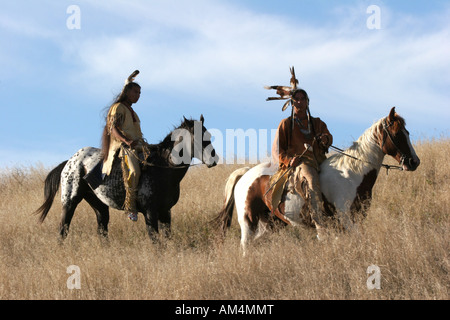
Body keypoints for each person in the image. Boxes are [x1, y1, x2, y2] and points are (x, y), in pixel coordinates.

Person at [272, 87, 333, 237]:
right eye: (296, 100)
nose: (299, 102)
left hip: (319, 161)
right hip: (300, 164)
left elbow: (329, 138)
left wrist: (324, 139)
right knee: (311, 179)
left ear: (307, 102)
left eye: (302, 99)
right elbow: (277, 150)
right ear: (292, 103)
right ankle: (320, 227)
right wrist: (289, 160)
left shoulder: (317, 123)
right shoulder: (286, 124)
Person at [101, 70, 145, 222]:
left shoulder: (132, 111)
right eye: (135, 92)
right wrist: (126, 141)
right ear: (127, 92)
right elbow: (112, 128)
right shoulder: (118, 107)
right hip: (123, 147)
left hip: (138, 145)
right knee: (133, 171)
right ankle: (131, 207)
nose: (138, 95)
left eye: (140, 93)